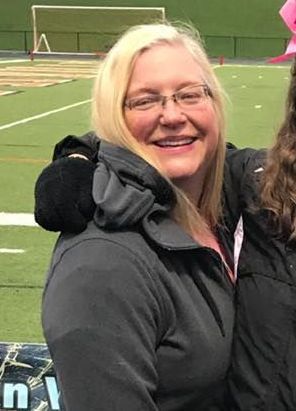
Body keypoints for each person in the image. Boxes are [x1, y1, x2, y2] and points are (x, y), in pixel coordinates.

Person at [40, 22, 236, 411]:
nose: (173, 114)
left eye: (190, 94)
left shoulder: (223, 205)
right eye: (145, 101)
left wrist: (79, 150)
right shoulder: (101, 264)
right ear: (114, 116)